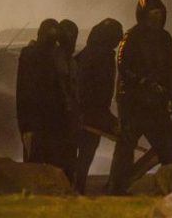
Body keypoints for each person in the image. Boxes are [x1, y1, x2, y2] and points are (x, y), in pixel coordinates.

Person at [107, 0, 172, 195]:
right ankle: (116, 190)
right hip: (133, 102)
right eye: (153, 14)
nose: (157, 18)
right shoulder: (131, 36)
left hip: (157, 103)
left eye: (160, 14)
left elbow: (168, 72)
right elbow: (123, 65)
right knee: (126, 148)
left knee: (168, 148)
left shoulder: (165, 38)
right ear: (143, 15)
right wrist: (144, 83)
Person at [74, 18, 123, 194]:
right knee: (87, 152)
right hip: (92, 113)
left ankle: (77, 186)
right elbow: (97, 88)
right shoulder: (102, 56)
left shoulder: (86, 53)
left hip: (84, 112)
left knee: (81, 154)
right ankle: (79, 187)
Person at [16, 18, 72, 171]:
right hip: (37, 119)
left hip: (51, 120)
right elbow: (25, 90)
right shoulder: (33, 55)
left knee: (46, 163)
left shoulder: (55, 55)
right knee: (37, 164)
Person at [56, 19, 81, 183]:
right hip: (58, 116)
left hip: (70, 115)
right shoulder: (55, 59)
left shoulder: (71, 61)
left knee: (70, 155)